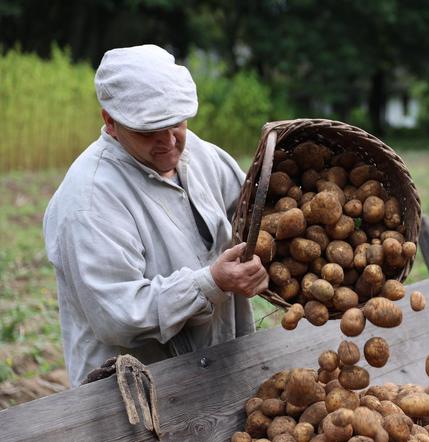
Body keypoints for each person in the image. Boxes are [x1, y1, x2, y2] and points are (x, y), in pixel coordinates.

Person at [43, 44, 269, 386]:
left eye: (175, 123)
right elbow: (118, 317)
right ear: (111, 121)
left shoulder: (201, 155)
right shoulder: (89, 201)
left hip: (218, 369)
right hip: (136, 397)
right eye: (149, 130)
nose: (169, 142)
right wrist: (212, 282)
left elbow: (253, 212)